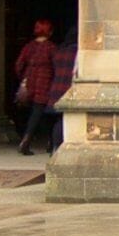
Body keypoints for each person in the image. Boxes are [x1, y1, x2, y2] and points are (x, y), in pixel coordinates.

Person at [12, 20, 73, 155]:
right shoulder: (51, 48)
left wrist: (24, 78)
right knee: (42, 113)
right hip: (45, 83)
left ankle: (44, 142)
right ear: (49, 32)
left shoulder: (29, 47)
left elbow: (19, 64)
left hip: (29, 83)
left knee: (36, 113)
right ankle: (28, 140)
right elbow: (57, 65)